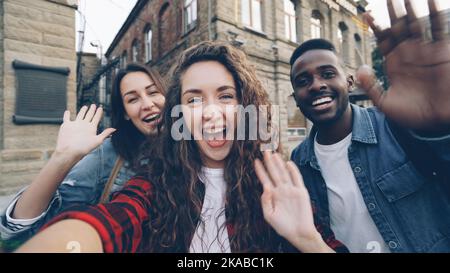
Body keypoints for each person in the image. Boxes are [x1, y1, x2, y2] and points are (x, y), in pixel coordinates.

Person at [15, 41, 347, 253]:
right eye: (193, 99)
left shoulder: (275, 186)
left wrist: (308, 240)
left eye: (226, 96)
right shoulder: (155, 182)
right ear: (179, 114)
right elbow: (108, 224)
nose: (211, 111)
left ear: (246, 107)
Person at [289, 0, 450, 253]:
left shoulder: (397, 127)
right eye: (303, 80)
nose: (316, 84)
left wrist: (439, 130)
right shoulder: (298, 163)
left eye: (328, 73)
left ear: (350, 82)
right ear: (296, 98)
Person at [0, 63, 167, 250]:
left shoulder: (194, 145)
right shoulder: (109, 153)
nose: (147, 104)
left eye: (153, 92)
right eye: (133, 99)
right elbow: (17, 229)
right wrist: (62, 158)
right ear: (126, 114)